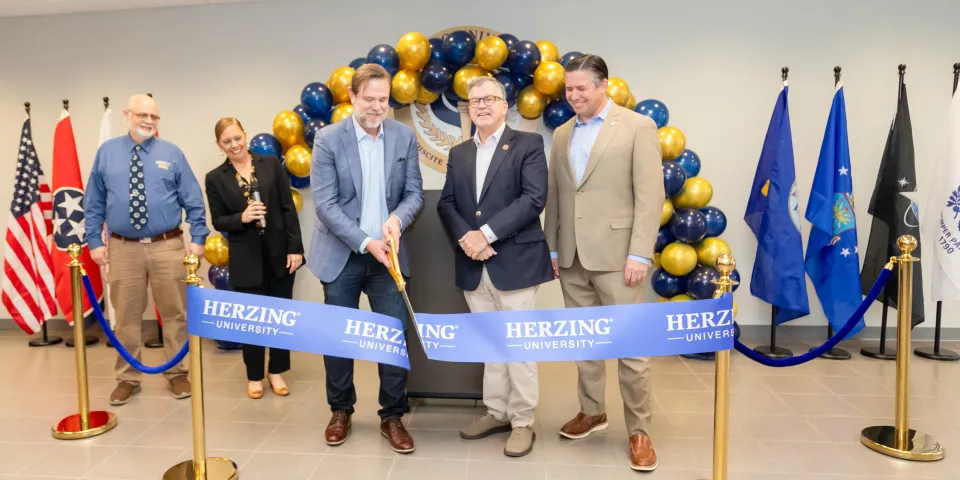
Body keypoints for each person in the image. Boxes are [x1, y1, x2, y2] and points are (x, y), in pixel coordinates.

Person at [543, 54, 665, 472]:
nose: (573, 95)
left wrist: (639, 253)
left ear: (603, 86)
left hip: (619, 258)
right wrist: (554, 248)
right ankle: (592, 411)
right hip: (572, 256)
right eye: (568, 89)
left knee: (630, 349)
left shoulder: (637, 126)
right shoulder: (561, 133)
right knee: (585, 342)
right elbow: (558, 196)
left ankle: (640, 430)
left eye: (581, 88)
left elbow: (650, 196)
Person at [307, 63, 424, 454]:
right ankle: (340, 410)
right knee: (338, 336)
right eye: (369, 99)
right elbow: (324, 204)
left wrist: (395, 219)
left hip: (388, 255)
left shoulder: (404, 137)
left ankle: (392, 415)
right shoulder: (327, 139)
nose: (377, 107)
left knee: (393, 337)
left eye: (383, 99)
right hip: (342, 254)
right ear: (353, 97)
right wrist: (364, 241)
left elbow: (414, 195)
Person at [437, 76, 552, 458]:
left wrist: (485, 234)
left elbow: (533, 199)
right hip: (473, 264)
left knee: (518, 346)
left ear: (505, 105)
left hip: (515, 262)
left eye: (489, 99)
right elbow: (447, 204)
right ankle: (496, 411)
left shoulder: (528, 144)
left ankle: (522, 422)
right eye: (474, 101)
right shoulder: (459, 153)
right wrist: (468, 239)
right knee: (490, 344)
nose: (482, 106)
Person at [85, 94, 209, 405]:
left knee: (175, 313)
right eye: (142, 115)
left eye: (154, 116)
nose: (149, 121)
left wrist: (199, 238)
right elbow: (94, 201)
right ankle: (127, 378)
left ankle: (178, 373)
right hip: (122, 248)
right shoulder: (108, 153)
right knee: (126, 315)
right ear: (127, 115)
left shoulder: (172, 153)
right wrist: (95, 241)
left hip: (167, 246)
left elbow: (193, 199)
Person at [203, 117, 304, 399]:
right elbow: (219, 220)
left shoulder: (270, 164)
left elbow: (288, 209)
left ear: (245, 136)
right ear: (219, 145)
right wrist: (242, 217)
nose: (234, 145)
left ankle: (277, 370)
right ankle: (255, 375)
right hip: (246, 259)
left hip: (280, 254)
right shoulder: (215, 178)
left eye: (237, 138)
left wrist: (295, 248)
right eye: (227, 141)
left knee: (280, 318)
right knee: (252, 321)